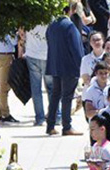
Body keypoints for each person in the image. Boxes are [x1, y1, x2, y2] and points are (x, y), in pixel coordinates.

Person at [46, 3, 86, 136]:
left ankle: (50, 125)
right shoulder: (70, 26)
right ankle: (66, 126)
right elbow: (77, 50)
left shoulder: (52, 26)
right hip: (69, 67)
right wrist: (82, 67)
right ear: (72, 10)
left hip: (55, 65)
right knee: (67, 97)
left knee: (55, 96)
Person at [24, 24, 53, 126]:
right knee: (51, 88)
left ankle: (40, 118)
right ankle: (55, 116)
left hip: (32, 54)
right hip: (47, 55)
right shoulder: (50, 18)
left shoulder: (28, 19)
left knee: (36, 89)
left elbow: (22, 35)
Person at [0, 34, 18, 123]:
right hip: (4, 56)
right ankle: (5, 114)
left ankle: (2, 112)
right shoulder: (8, 28)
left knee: (1, 84)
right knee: (3, 87)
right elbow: (14, 41)